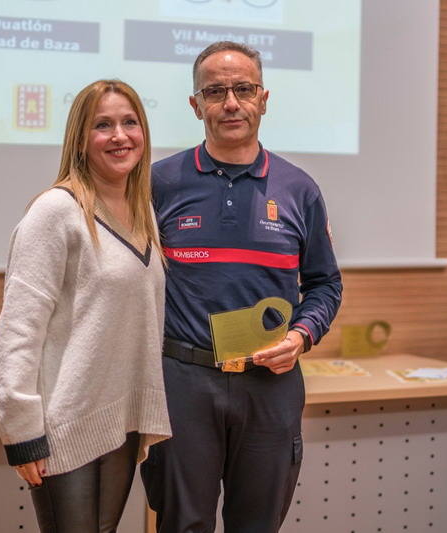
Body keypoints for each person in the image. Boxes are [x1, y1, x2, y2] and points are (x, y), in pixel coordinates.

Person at [140, 41, 342, 532]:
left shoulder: (299, 189)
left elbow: (324, 284)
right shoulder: (158, 183)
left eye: (243, 89)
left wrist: (299, 337)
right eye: (215, 91)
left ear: (263, 98)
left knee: (257, 523)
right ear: (195, 105)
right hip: (182, 381)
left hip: (268, 384)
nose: (230, 103)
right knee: (181, 523)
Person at [0, 79, 171, 533]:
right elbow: (18, 329)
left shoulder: (144, 214)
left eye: (130, 122)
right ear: (80, 139)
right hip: (64, 424)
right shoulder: (55, 211)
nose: (119, 136)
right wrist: (21, 431)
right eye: (103, 125)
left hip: (121, 419)